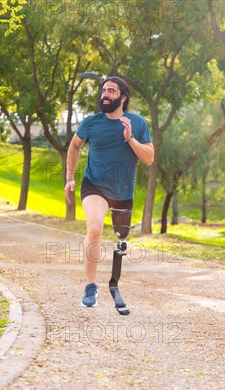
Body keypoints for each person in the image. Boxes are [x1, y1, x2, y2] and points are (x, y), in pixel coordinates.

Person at [64, 76, 154, 307]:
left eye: (111, 91)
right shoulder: (91, 123)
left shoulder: (137, 123)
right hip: (95, 185)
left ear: (123, 97)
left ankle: (113, 276)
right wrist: (70, 178)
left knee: (121, 238)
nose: (104, 94)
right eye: (103, 90)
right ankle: (90, 286)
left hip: (123, 191)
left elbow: (149, 158)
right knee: (94, 228)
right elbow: (74, 146)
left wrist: (130, 139)